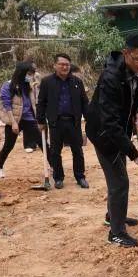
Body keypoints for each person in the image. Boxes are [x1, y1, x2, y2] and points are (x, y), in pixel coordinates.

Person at [85, 34, 138, 247]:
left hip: (119, 130)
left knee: (118, 177)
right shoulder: (110, 78)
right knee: (119, 181)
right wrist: (136, 155)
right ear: (126, 54)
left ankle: (113, 216)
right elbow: (109, 123)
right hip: (103, 133)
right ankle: (116, 232)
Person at [36, 54, 89, 189]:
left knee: (77, 150)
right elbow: (41, 102)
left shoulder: (77, 82)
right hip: (56, 122)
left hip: (73, 122)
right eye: (62, 64)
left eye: (67, 65)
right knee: (55, 152)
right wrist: (40, 120)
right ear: (55, 65)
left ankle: (80, 177)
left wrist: (89, 118)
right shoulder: (47, 82)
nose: (65, 67)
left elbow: (84, 102)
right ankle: (58, 178)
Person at [0, 62, 49, 178]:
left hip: (29, 118)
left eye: (32, 74)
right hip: (15, 119)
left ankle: (53, 165)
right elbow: (6, 104)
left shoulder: (28, 84)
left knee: (42, 142)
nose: (31, 76)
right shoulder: (8, 85)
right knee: (8, 145)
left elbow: (34, 101)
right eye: (29, 73)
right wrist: (13, 123)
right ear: (21, 73)